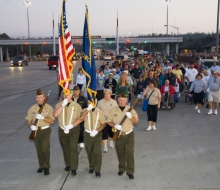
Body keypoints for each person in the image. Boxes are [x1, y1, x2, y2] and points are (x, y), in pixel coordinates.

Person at [107, 93, 139, 179]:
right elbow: (108, 121)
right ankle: (121, 168)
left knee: (129, 152)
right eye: (120, 100)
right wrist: (115, 126)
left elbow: (136, 121)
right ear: (117, 100)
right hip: (119, 136)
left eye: (124, 100)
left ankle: (130, 171)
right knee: (120, 153)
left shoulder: (130, 110)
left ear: (126, 101)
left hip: (129, 135)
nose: (122, 102)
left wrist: (131, 117)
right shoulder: (113, 110)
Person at [71, 104, 106, 178]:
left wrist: (97, 131)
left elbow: (103, 124)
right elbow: (81, 118)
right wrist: (87, 109)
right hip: (87, 134)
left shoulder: (100, 112)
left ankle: (97, 170)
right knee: (89, 151)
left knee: (97, 152)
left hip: (97, 134)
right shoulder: (84, 111)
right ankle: (92, 167)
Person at [25, 89, 55, 175]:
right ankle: (41, 166)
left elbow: (52, 121)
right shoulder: (32, 108)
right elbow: (28, 120)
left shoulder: (48, 108)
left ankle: (46, 167)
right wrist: (31, 126)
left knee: (45, 148)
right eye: (37, 97)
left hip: (45, 130)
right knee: (39, 149)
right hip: (36, 131)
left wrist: (43, 118)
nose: (39, 99)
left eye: (40, 97)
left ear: (44, 97)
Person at [54, 91, 83, 176]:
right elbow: (55, 114)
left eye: (68, 95)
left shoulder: (77, 106)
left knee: (73, 148)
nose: (66, 96)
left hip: (73, 129)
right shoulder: (58, 105)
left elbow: (81, 118)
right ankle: (68, 165)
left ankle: (74, 168)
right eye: (64, 95)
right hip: (62, 130)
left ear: (72, 95)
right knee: (65, 148)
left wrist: (71, 125)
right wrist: (62, 105)